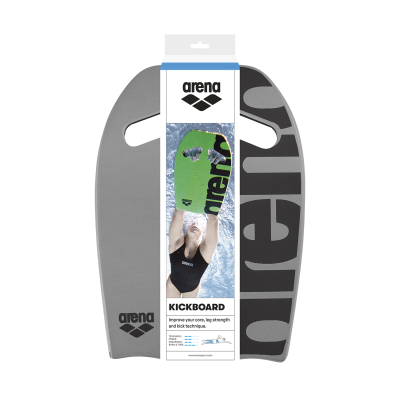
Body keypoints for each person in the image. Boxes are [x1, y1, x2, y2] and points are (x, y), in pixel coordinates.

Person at [166, 208, 219, 298]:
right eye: (191, 223)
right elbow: (178, 215)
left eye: (197, 225)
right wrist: (213, 212)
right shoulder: (176, 243)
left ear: (202, 237)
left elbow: (213, 225)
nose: (194, 224)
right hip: (173, 285)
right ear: (185, 230)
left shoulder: (205, 252)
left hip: (190, 290)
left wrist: (213, 215)